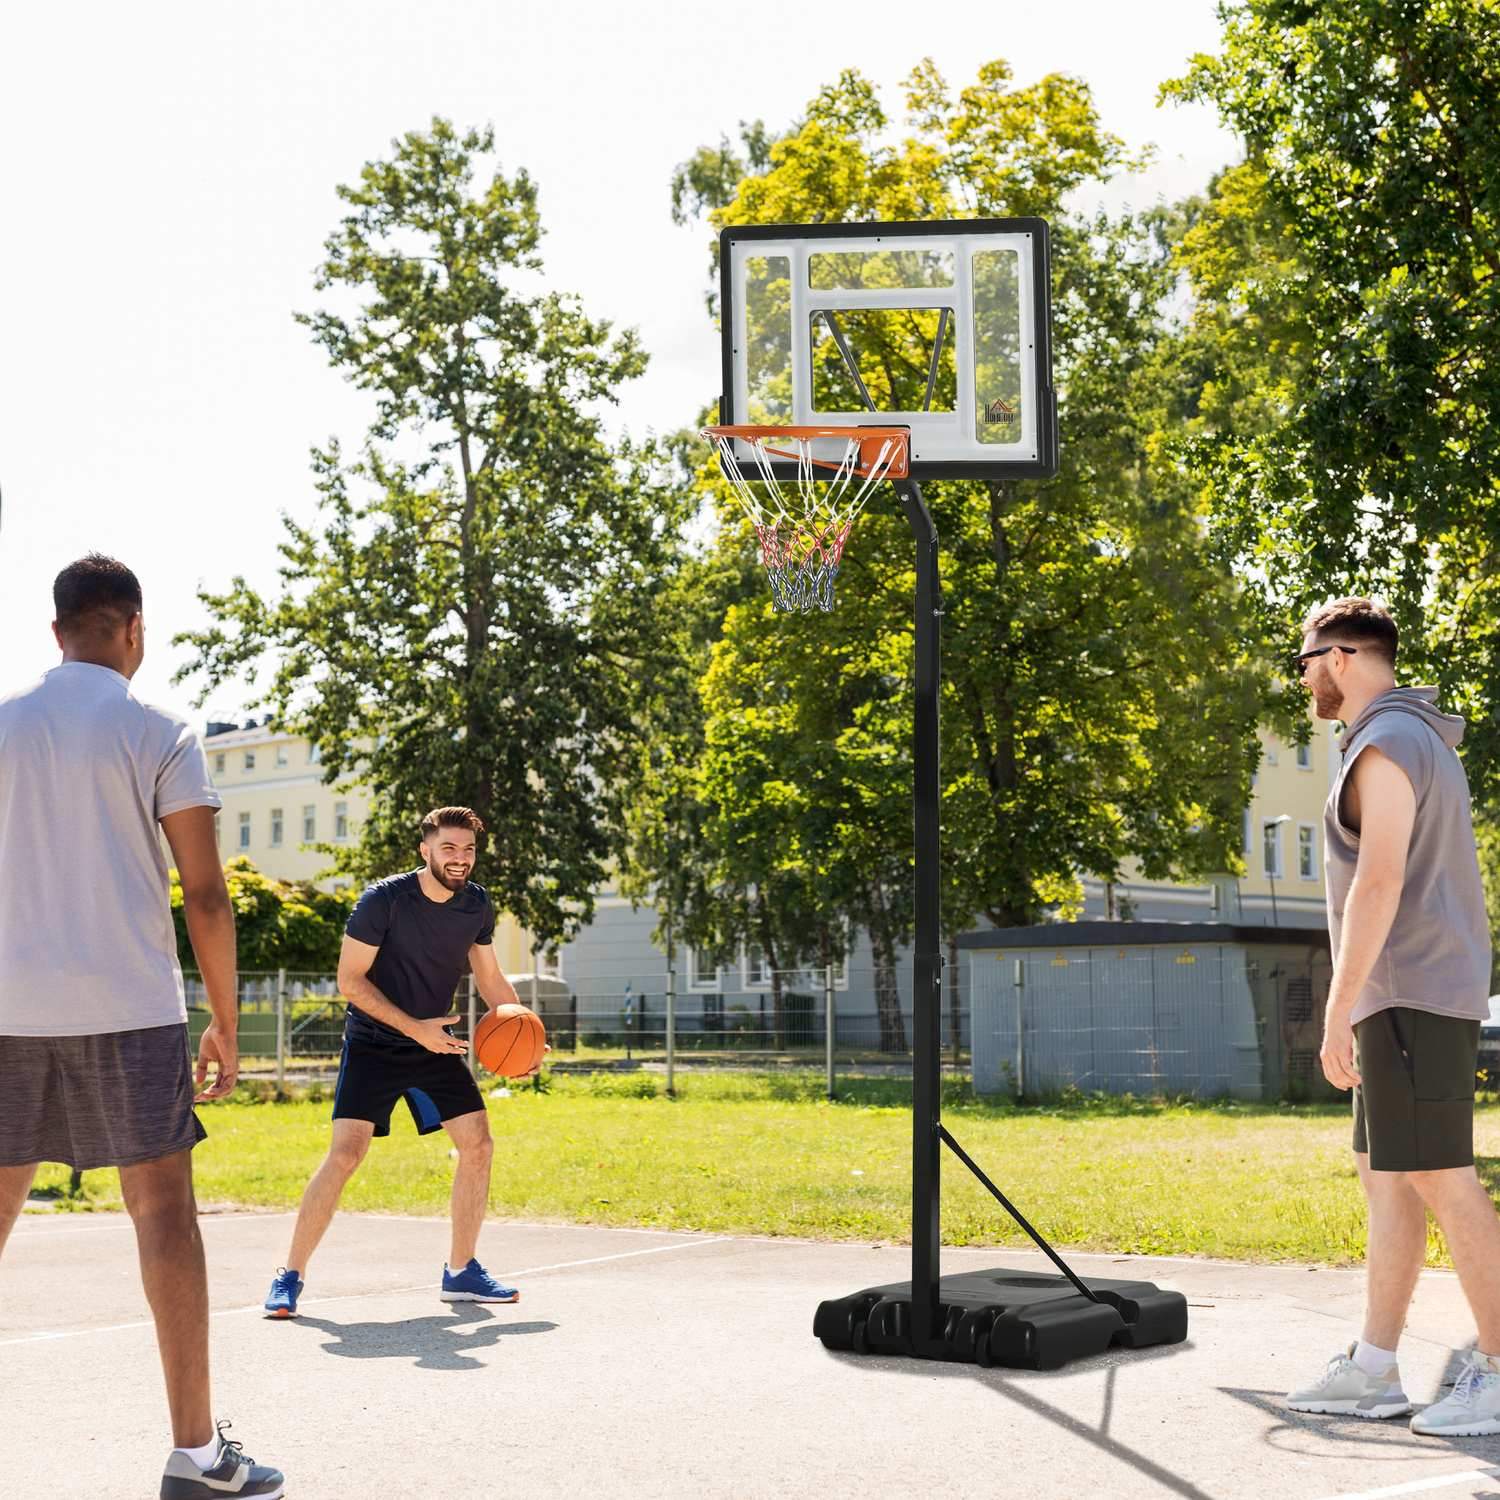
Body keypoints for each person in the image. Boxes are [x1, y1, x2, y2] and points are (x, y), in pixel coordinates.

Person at [0, 554, 284, 1499]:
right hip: (129, 1008)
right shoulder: (163, 730)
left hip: (6, 1008)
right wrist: (227, 1025)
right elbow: (205, 893)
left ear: (56, 632)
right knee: (163, 1213)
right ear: (132, 629)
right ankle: (197, 1458)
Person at [1285, 597, 1500, 1436]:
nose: (1301, 678)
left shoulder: (1386, 743)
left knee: (1443, 1178)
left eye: (1302, 662)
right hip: (1402, 993)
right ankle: (1375, 1366)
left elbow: (1379, 882)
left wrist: (1336, 1010)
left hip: (1407, 990)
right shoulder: (1420, 740)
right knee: (1391, 1181)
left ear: (1338, 657)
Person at [264, 805, 539, 1317]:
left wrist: (524, 1028)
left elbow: (491, 980)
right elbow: (350, 982)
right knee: (346, 1154)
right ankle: (290, 1275)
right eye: (449, 848)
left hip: (435, 1042)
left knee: (477, 1145)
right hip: (375, 1042)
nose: (460, 859)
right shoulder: (383, 901)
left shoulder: (475, 905)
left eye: (469, 850)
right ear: (426, 850)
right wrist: (415, 1029)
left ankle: (461, 1272)